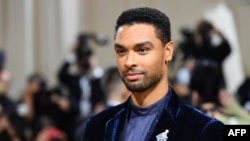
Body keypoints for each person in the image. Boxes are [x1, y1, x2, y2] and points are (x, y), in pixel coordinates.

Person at [83, 7, 224, 141]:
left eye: (142, 50)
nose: (129, 61)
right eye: (121, 51)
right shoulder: (98, 126)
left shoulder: (203, 129)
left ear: (168, 52)